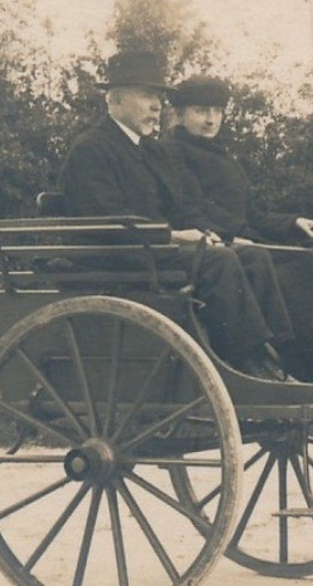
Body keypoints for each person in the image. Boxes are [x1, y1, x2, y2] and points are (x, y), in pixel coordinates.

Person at [59, 51, 292, 381]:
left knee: (250, 256)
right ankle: (246, 365)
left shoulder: (151, 150)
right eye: (146, 95)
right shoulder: (91, 149)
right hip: (117, 260)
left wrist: (212, 234)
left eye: (158, 97)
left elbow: (183, 206)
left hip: (155, 255)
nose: (156, 105)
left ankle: (276, 357)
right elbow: (106, 220)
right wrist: (173, 237)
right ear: (115, 100)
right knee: (219, 262)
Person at [160, 75, 313, 245]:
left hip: (242, 240)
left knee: (311, 261)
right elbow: (193, 207)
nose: (211, 120)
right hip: (214, 244)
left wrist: (293, 223)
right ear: (180, 116)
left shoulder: (226, 158)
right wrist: (232, 237)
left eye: (217, 111)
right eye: (201, 111)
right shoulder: (171, 151)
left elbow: (252, 215)